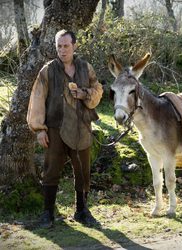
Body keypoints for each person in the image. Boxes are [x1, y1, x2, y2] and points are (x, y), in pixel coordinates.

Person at [27, 29, 103, 228]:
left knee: (83, 171)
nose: (62, 50)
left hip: (81, 127)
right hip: (55, 128)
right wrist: (39, 129)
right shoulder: (47, 70)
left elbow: (98, 91)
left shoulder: (86, 68)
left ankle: (82, 211)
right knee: (51, 170)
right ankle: (47, 214)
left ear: (74, 46)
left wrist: (84, 93)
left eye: (66, 46)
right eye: (59, 46)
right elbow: (37, 98)